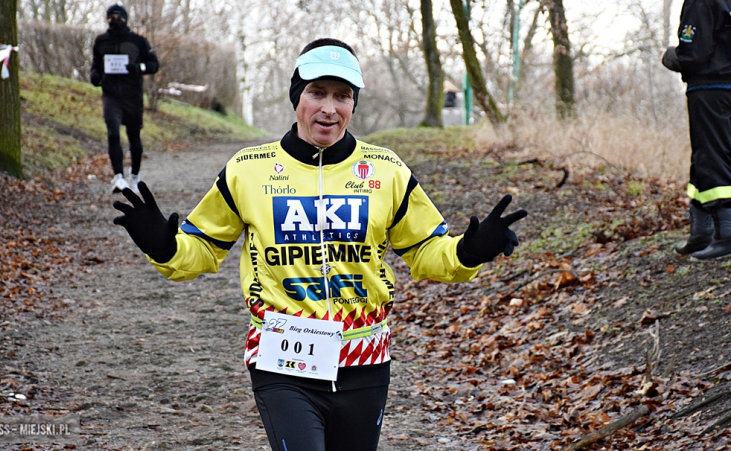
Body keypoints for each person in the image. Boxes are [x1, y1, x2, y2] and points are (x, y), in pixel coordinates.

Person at [112, 38, 527, 451]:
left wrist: (469, 250)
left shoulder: (386, 171)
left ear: (353, 104)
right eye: (317, 92)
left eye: (342, 96)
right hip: (281, 359)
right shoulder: (247, 171)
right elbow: (201, 250)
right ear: (298, 96)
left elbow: (425, 252)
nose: (329, 107)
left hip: (365, 360)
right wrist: (165, 249)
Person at [662, 0, 731, 260]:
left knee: (711, 158)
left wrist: (668, 56)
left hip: (709, 89)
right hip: (725, 86)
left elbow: (693, 55)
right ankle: (701, 230)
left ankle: (726, 234)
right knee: (711, 156)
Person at [90, 4, 159, 194]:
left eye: (119, 17)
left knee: (134, 136)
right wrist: (95, 76)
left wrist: (139, 68)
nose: (115, 20)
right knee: (113, 133)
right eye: (111, 17)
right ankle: (118, 177)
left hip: (132, 96)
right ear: (107, 19)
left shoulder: (138, 41)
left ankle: (135, 176)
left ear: (126, 19)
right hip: (110, 95)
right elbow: (95, 67)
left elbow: (154, 64)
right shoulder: (101, 41)